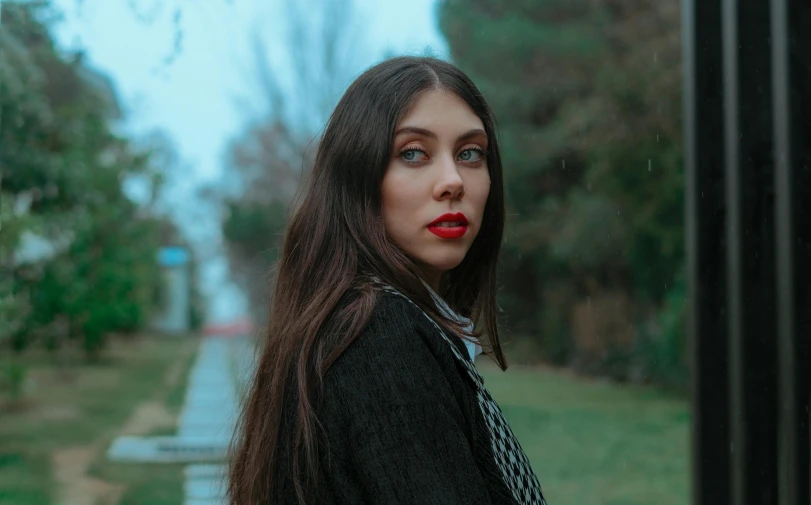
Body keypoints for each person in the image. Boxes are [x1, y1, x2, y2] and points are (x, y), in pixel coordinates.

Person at [228, 56, 548, 505]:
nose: (452, 181)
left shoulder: (360, 320)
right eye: (413, 153)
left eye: (470, 153)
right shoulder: (379, 335)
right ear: (358, 177)